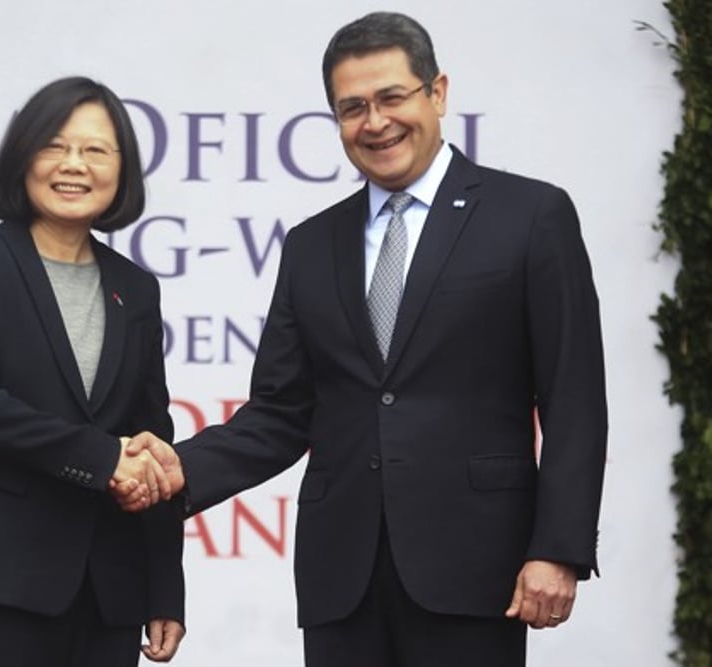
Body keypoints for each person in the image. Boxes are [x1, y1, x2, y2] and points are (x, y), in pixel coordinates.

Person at [127, 11, 607, 667]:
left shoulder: (530, 216)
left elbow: (573, 396)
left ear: (437, 93)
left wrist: (558, 546)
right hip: (340, 578)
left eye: (391, 98)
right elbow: (280, 410)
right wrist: (184, 466)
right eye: (352, 107)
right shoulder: (311, 244)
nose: (374, 122)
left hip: (477, 569)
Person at [0, 76, 185, 666]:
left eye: (95, 150)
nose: (73, 165)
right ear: (23, 157)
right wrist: (101, 457)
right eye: (55, 146)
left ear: (122, 171)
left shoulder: (136, 289)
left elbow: (150, 438)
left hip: (106, 592)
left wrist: (163, 585)